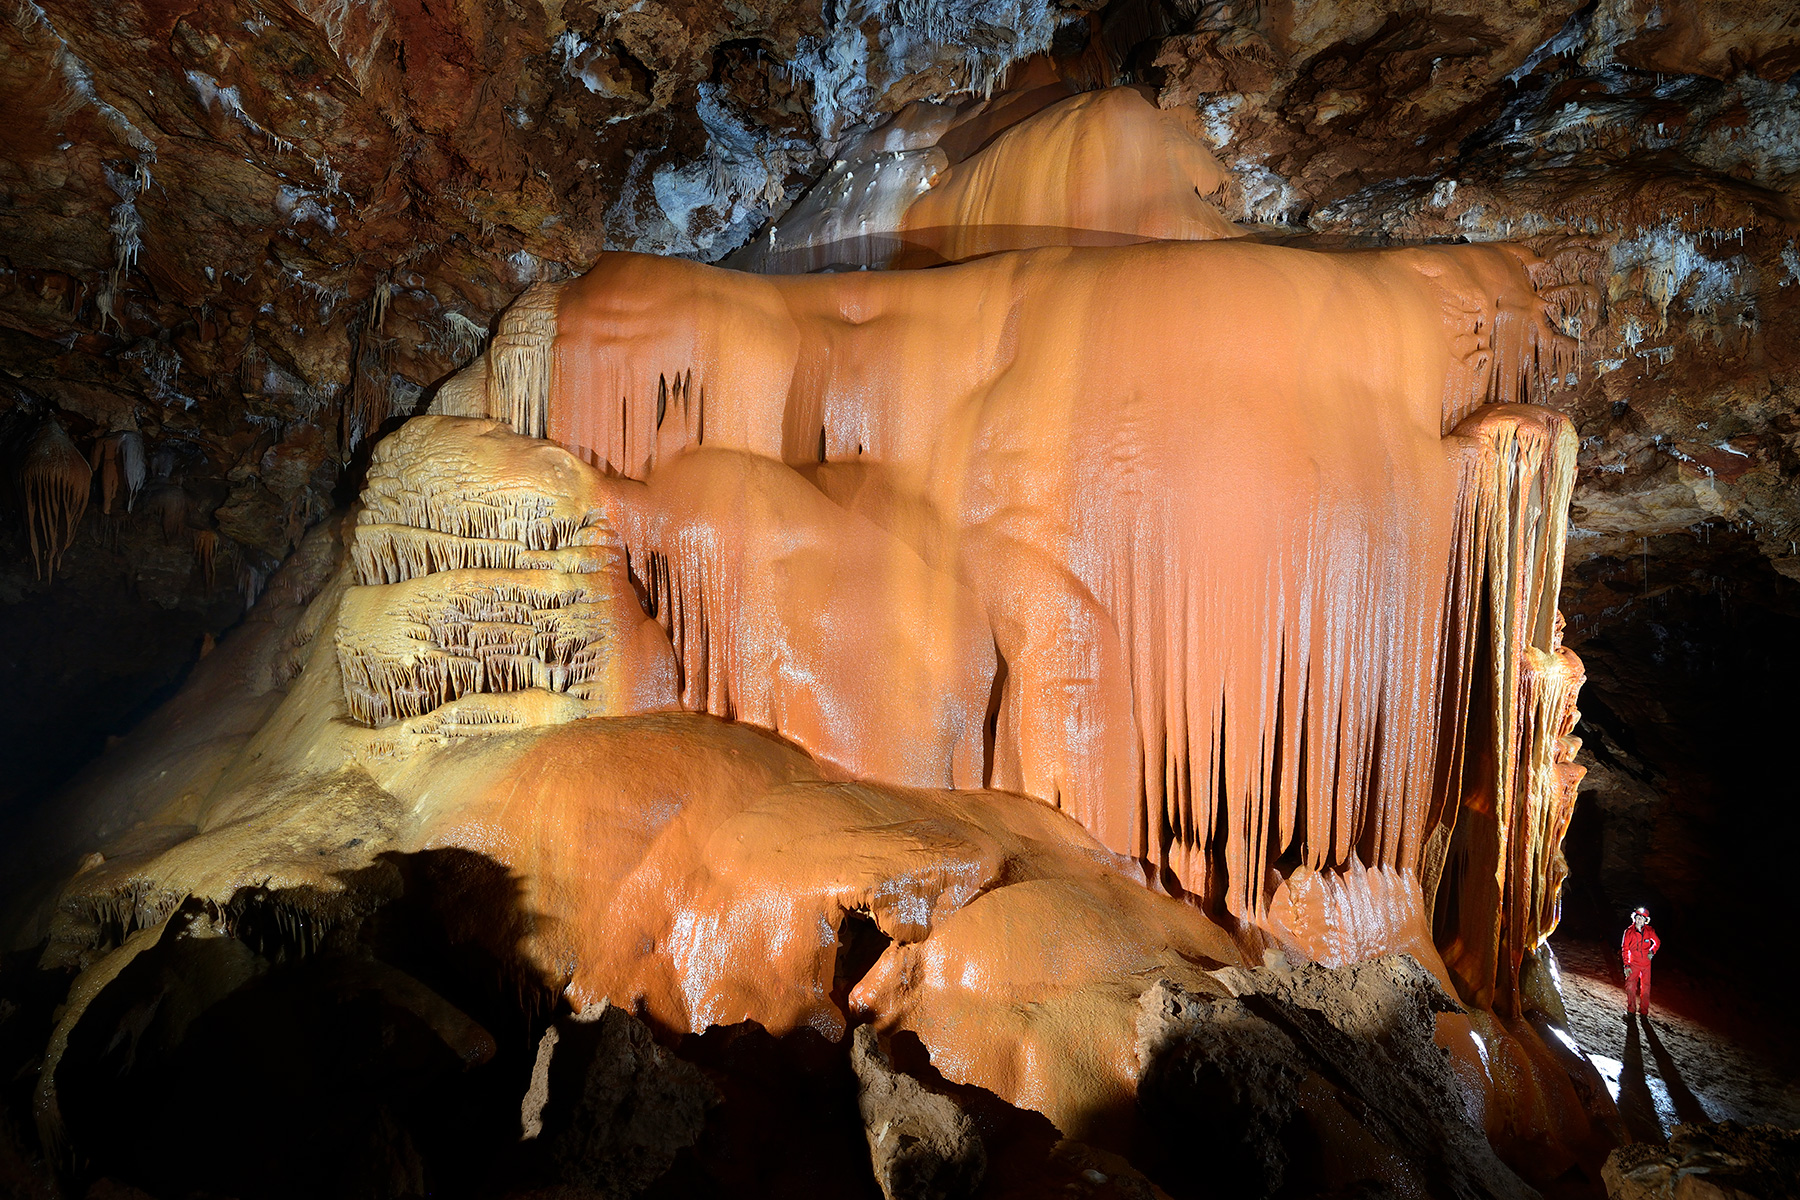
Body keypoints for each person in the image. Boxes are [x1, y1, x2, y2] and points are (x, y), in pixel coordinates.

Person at [1621, 906, 1660, 1016]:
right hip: (1634, 963)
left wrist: (1652, 952)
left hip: (1646, 965)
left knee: (1646, 988)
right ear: (1634, 918)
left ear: (1645, 920)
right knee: (1630, 986)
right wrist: (1626, 965)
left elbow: (1657, 942)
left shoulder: (1650, 931)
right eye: (1638, 918)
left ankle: (1644, 1011)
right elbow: (1625, 948)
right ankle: (1631, 1009)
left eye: (1642, 918)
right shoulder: (1629, 932)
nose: (1639, 920)